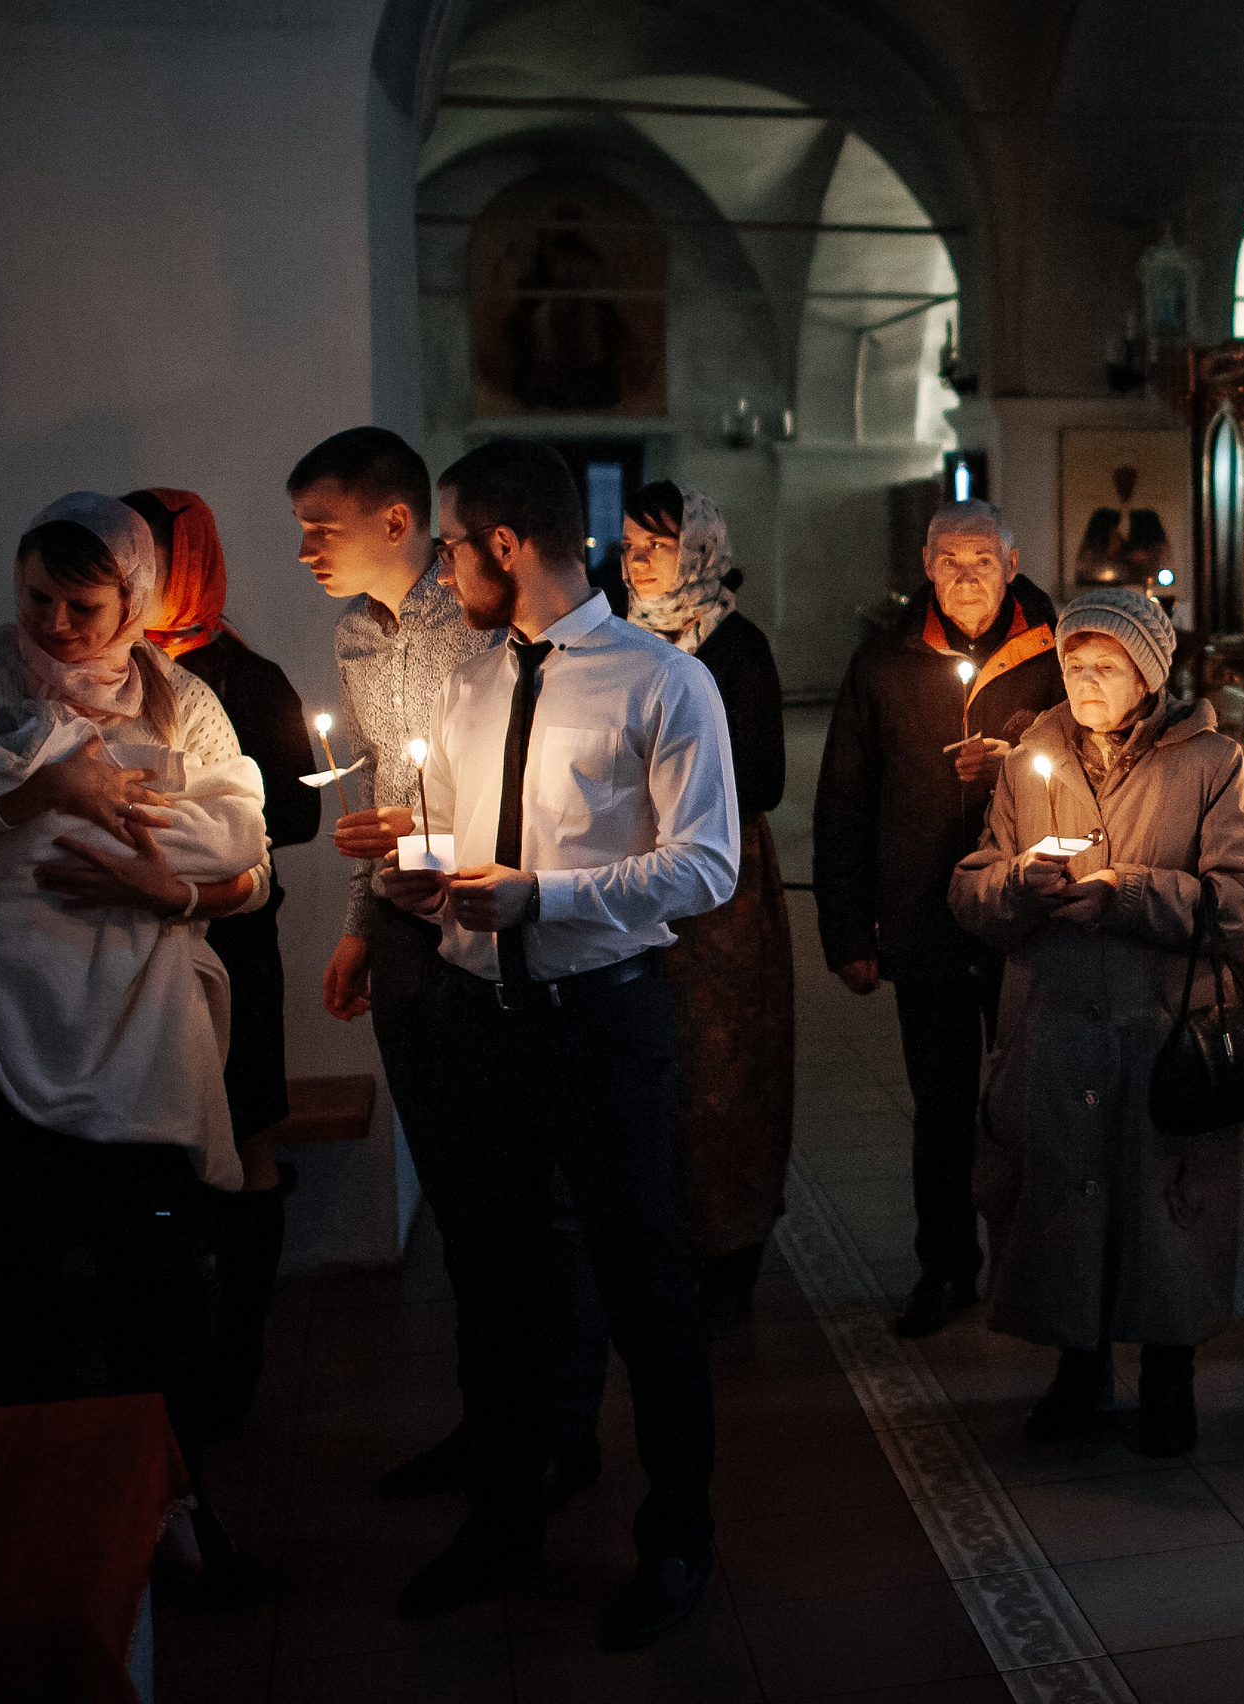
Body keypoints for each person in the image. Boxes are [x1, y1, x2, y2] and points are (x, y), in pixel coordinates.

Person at [379, 438, 739, 1651]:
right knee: (492, 1288)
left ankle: (677, 1536)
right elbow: (473, 849)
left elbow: (709, 866)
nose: (438, 570)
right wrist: (415, 871)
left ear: (502, 544)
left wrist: (548, 899)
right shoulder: (470, 681)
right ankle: (502, 1523)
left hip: (600, 1021)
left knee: (645, 1290)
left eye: (447, 544)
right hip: (476, 1022)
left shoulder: (661, 681)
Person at [0, 492, 271, 1557]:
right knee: (16, 1285)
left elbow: (248, 862)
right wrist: (34, 795)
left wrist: (167, 892)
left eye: (83, 605)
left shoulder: (179, 699)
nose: (54, 624)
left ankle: (173, 1504)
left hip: (134, 1020)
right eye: (36, 596)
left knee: (154, 1284)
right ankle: (45, 1516)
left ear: (134, 599)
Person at [291, 428, 608, 1511]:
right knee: (463, 1193)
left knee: (532, 1194)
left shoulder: (480, 614)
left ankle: (562, 1428)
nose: (305, 552)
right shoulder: (354, 634)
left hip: (491, 912)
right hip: (404, 922)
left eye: (318, 528)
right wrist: (356, 916)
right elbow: (379, 785)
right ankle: (489, 1422)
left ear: (398, 522)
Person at [951, 589, 1244, 1454]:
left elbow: (1243, 900)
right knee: (1062, 1195)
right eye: (1074, 663)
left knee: (1165, 1203)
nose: (1086, 680)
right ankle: (1079, 1367)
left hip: (1158, 1023)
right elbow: (972, 882)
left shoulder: (1208, 761)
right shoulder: (1033, 756)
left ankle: (1171, 1377)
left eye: (1107, 665)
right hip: (1056, 1022)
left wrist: (1128, 893)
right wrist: (1016, 883)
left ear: (1150, 673)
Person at [814, 498, 1066, 1338]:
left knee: (1035, 1097)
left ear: (1013, 560)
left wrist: (1020, 759)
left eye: (982, 561)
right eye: (950, 562)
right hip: (923, 917)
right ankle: (946, 1266)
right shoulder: (885, 662)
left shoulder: (1059, 649)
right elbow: (845, 800)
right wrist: (849, 931)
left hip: (1029, 916)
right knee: (943, 1107)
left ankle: (1037, 1265)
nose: (965, 578)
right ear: (926, 566)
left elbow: (1099, 755)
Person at [123, 486, 319, 1437]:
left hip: (232, 938)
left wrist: (195, 831)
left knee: (245, 1132)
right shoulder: (99, 671)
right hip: (132, 948)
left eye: (150, 562)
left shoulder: (245, 678)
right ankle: (168, 1358)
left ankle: (237, 1356)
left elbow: (303, 815)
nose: (134, 581)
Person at [620, 480, 792, 1336]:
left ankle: (728, 1255)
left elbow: (762, 779)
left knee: (724, 1071)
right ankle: (658, 1247)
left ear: (698, 550)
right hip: (632, 872)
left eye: (651, 547)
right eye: (627, 547)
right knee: (649, 1064)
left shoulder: (737, 646)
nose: (634, 561)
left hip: (721, 892)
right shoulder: (614, 642)